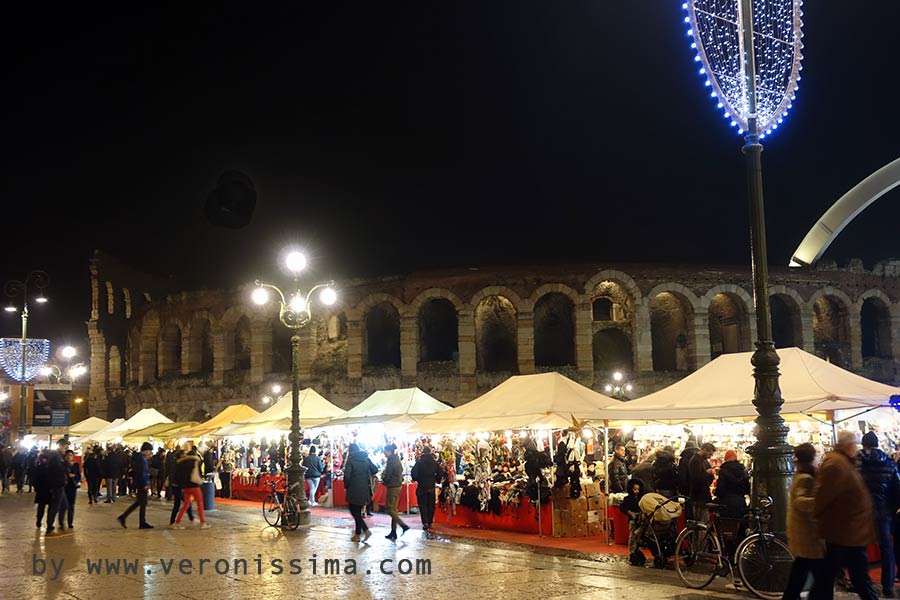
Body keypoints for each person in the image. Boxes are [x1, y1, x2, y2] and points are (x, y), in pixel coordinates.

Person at [814, 430, 877, 600]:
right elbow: (824, 496)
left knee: (831, 577)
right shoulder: (837, 464)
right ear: (848, 445)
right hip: (845, 531)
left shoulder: (841, 462)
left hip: (846, 531)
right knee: (844, 578)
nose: (856, 448)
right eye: (854, 444)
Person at [782, 443, 828, 600]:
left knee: (800, 571)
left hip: (803, 533)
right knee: (821, 576)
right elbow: (801, 502)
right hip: (808, 534)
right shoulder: (806, 478)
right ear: (812, 457)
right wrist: (821, 501)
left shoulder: (801, 474)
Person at [858, 431, 900, 598]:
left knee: (859, 547)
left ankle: (864, 583)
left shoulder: (857, 464)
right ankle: (887, 586)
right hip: (884, 512)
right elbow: (898, 489)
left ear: (864, 444)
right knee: (886, 548)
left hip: (862, 512)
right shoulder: (889, 464)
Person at [343, 443, 377, 542]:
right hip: (365, 489)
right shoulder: (366, 459)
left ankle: (365, 530)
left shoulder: (351, 461)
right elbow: (375, 469)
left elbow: (347, 477)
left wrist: (346, 486)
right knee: (357, 511)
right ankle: (357, 534)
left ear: (351, 451)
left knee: (354, 511)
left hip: (354, 489)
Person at [117, 442, 154, 529]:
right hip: (142, 484)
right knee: (142, 503)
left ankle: (125, 517)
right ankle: (140, 522)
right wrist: (145, 483)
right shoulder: (142, 459)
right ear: (145, 450)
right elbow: (142, 473)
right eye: (149, 450)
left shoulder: (139, 458)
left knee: (139, 503)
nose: (150, 453)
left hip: (139, 483)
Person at [171, 444, 208, 529]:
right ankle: (203, 522)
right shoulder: (194, 461)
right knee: (200, 504)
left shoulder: (181, 463)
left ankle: (177, 522)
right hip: (194, 486)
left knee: (185, 505)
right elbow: (199, 468)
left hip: (185, 487)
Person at [381, 443, 409, 540]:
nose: (384, 453)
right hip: (398, 486)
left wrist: (384, 480)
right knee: (394, 510)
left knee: (389, 509)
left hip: (392, 487)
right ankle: (393, 531)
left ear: (389, 451)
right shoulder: (397, 459)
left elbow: (388, 475)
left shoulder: (391, 461)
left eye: (385, 451)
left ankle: (403, 525)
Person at [410, 446, 442, 530]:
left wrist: (417, 479)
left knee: (422, 505)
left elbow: (413, 474)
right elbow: (440, 473)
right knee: (431, 505)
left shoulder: (419, 462)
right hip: (431, 486)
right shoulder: (434, 462)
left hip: (422, 486)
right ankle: (430, 521)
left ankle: (425, 522)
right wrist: (436, 480)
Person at [713, 449, 749, 518]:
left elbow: (721, 489)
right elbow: (747, 488)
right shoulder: (743, 470)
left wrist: (716, 492)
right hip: (740, 502)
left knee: (727, 525)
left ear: (726, 459)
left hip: (726, 503)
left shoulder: (723, 471)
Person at [620, 478, 648, 564]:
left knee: (638, 534)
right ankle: (632, 552)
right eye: (635, 489)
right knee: (633, 535)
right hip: (633, 519)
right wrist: (629, 512)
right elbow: (622, 507)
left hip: (641, 519)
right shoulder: (627, 499)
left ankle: (636, 550)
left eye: (638, 489)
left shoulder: (642, 498)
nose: (636, 491)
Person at [45, 439, 69, 536]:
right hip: (56, 485)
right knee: (54, 506)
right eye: (65, 447)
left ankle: (61, 524)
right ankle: (49, 528)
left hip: (60, 485)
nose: (65, 449)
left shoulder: (59, 456)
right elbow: (56, 470)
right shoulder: (55, 457)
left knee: (64, 505)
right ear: (61, 446)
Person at [688, 442, 716, 523]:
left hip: (702, 495)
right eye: (709, 453)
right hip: (698, 496)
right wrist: (707, 473)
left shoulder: (703, 461)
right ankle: (700, 535)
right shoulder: (695, 461)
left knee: (704, 520)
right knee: (701, 521)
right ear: (703, 450)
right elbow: (696, 478)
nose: (710, 456)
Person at [167, 448, 195, 526]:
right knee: (178, 503)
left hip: (176, 485)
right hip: (178, 486)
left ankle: (191, 517)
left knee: (186, 502)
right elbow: (178, 475)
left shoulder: (176, 463)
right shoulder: (178, 464)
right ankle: (172, 521)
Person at [63, 449, 81, 529]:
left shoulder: (76, 465)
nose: (69, 457)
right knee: (63, 505)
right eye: (67, 455)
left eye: (70, 455)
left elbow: (79, 476)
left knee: (71, 506)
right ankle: (61, 522)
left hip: (72, 487)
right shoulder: (63, 465)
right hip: (64, 487)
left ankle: (70, 522)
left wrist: (75, 477)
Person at [33, 450, 50, 529]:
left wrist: (36, 488)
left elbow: (35, 479)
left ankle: (40, 520)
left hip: (42, 490)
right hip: (47, 489)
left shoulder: (38, 468)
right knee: (46, 507)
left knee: (41, 507)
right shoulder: (50, 468)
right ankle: (47, 522)